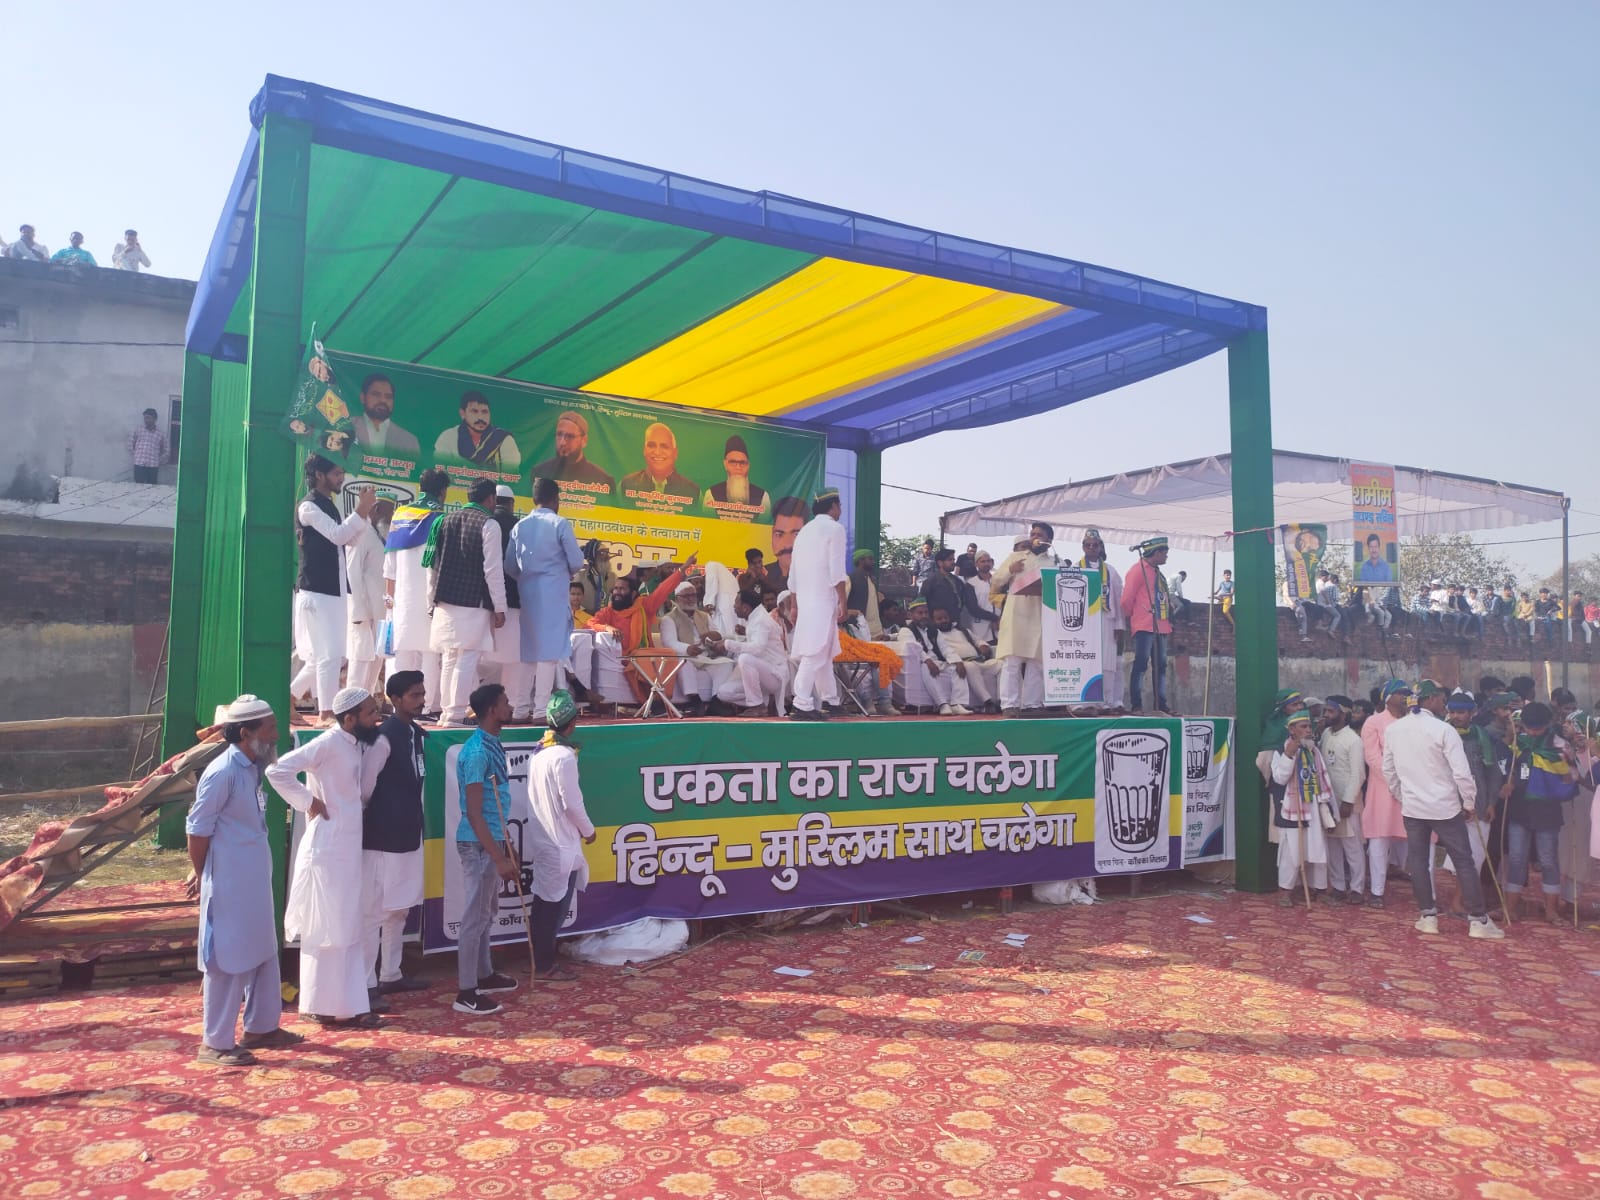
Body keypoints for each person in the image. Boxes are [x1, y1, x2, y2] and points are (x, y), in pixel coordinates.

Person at [186, 696, 305, 1066]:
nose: (276, 735)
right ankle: (216, 1043)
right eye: (270, 728)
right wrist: (204, 873)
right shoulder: (222, 772)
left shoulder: (253, 767)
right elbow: (197, 829)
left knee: (264, 951)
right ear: (245, 733)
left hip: (254, 880)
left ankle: (261, 1028)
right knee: (228, 957)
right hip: (229, 883)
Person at [266, 687, 386, 1025]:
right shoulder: (328, 743)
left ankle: (345, 1006)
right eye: (369, 713)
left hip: (346, 847)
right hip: (329, 848)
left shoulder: (353, 743)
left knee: (346, 926)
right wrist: (308, 801)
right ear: (349, 719)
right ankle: (327, 1007)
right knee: (328, 927)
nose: (376, 718)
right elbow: (277, 771)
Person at [1382, 680, 1505, 939]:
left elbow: (1389, 772)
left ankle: (1428, 917)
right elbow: (1462, 773)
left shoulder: (1394, 730)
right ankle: (1478, 920)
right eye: (1440, 697)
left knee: (1418, 861)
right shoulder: (1443, 730)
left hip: (1414, 807)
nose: (1444, 702)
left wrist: (1403, 797)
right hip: (1445, 806)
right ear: (1430, 700)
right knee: (1464, 860)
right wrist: (1469, 802)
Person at [452, 684, 522, 1014]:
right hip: (478, 844)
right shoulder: (478, 753)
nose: (510, 706)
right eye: (505, 702)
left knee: (486, 913)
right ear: (493, 710)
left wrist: (506, 847)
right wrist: (497, 855)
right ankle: (466, 992)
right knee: (474, 916)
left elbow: (496, 806)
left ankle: (484, 973)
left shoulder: (492, 744)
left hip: (491, 840)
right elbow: (475, 812)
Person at [359, 671, 429, 1002]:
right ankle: (365, 983)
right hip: (382, 836)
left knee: (399, 909)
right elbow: (365, 788)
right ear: (395, 699)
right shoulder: (383, 737)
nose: (421, 701)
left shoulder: (414, 733)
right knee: (374, 911)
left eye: (423, 694)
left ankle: (391, 974)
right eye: (415, 695)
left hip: (408, 833)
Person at [291, 455, 377, 723]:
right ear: (319, 475)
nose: (341, 478)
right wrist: (359, 511)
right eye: (337, 473)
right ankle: (326, 712)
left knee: (324, 656)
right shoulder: (308, 507)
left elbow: (348, 540)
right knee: (329, 654)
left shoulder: (329, 505)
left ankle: (290, 697)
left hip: (333, 591)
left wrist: (364, 515)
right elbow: (338, 535)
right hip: (317, 591)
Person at [523, 690, 597, 980]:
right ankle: (544, 965)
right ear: (573, 722)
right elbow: (572, 803)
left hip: (545, 838)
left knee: (544, 902)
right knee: (552, 906)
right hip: (559, 841)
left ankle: (538, 959)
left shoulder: (540, 752)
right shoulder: (563, 757)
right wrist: (589, 831)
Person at [428, 478, 509, 726]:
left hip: (445, 599)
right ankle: (455, 714)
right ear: (491, 499)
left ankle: (446, 713)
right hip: (474, 601)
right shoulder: (489, 524)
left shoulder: (444, 520)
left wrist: (430, 600)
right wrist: (500, 607)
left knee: (450, 657)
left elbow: (432, 565)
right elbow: (493, 570)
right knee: (466, 658)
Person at [504, 476, 585, 720]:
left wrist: (528, 577)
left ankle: (520, 710)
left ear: (534, 499)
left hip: (528, 593)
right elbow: (576, 561)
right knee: (549, 655)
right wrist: (559, 572)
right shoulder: (559, 523)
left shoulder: (520, 526)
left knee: (528, 655)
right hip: (553, 593)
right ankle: (540, 710)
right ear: (556, 499)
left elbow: (510, 565)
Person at [1502, 700, 1576, 924]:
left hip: (1547, 809)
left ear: (1549, 723)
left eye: (1539, 728)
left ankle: (1551, 911)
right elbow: (1509, 768)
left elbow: (1571, 777)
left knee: (1548, 860)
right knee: (1516, 858)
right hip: (1520, 808)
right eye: (1529, 728)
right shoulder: (1519, 743)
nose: (1533, 732)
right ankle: (1511, 907)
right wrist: (1509, 783)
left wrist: (1555, 781)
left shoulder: (1560, 746)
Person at [583, 556, 694, 705]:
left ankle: (658, 698)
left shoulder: (644, 607)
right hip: (624, 657)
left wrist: (683, 568)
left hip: (642, 654)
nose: (617, 592)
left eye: (622, 589)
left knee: (669, 654)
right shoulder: (608, 612)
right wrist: (606, 627)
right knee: (644, 658)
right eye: (615, 588)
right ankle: (655, 701)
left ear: (633, 593)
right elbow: (589, 624)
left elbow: (663, 590)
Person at [384, 468, 449, 717]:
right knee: (431, 654)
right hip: (430, 597)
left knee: (403, 654)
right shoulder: (440, 518)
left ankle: (398, 706)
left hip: (401, 598)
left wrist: (389, 599)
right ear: (442, 491)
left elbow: (389, 566)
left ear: (420, 488)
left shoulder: (400, 515)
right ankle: (428, 706)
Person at [787, 488, 848, 720]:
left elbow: (793, 574)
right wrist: (843, 602)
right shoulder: (835, 529)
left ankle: (830, 700)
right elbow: (837, 571)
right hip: (822, 600)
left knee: (825, 653)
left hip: (806, 601)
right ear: (833, 506)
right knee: (814, 653)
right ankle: (801, 703)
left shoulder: (804, 531)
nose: (840, 510)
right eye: (839, 505)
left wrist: (794, 606)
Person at [1443, 690, 1504, 917]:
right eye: (1452, 712)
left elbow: (1493, 774)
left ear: (1472, 713)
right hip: (1449, 805)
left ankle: (1460, 902)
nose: (1456, 716)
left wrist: (1491, 803)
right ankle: (1458, 902)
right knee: (1460, 856)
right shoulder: (1442, 734)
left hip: (1478, 806)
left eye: (1461, 712)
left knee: (1474, 857)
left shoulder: (1482, 737)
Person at [1268, 711, 1335, 906]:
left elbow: (1323, 779)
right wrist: (1289, 755)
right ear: (1292, 729)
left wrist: (1327, 808)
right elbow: (1280, 778)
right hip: (1292, 808)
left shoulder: (1313, 751)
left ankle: (1319, 890)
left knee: (1317, 849)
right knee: (1291, 852)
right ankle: (1286, 892)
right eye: (1303, 727)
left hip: (1313, 808)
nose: (1308, 730)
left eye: (1309, 726)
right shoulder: (1280, 751)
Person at [993, 523, 1057, 716]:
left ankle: (1031, 704)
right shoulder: (1016, 557)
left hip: (1040, 615)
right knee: (1012, 661)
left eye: (1039, 535)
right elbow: (996, 581)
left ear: (1049, 540)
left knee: (1036, 662)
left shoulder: (1054, 562)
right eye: (1032, 534)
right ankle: (1009, 705)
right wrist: (1009, 570)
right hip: (1016, 614)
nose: (1034, 537)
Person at [483, 485, 534, 721]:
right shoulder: (519, 527)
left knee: (477, 658)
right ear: (511, 504)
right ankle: (510, 706)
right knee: (513, 660)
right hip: (513, 600)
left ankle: (480, 706)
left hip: (482, 603)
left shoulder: (484, 523)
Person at [1360, 680, 1412, 908]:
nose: (1405, 696)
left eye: (1407, 693)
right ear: (1388, 698)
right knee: (1379, 841)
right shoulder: (1373, 722)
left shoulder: (1414, 721)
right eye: (1400, 693)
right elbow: (1372, 758)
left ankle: (1425, 893)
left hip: (1412, 789)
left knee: (1417, 840)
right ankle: (1377, 892)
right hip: (1383, 790)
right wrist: (1396, 780)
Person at [1318, 696, 1367, 904]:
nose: (1326, 715)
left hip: (1348, 803)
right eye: (1325, 711)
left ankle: (1357, 889)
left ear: (1343, 713)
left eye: (1330, 711)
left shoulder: (1353, 740)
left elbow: (1358, 774)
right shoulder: (1326, 734)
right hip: (1329, 801)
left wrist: (1348, 802)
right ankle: (1338, 886)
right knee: (1333, 846)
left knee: (1352, 847)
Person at [660, 578, 734, 713]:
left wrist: (714, 636)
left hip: (705, 657)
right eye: (686, 596)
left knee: (726, 663)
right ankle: (695, 701)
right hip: (686, 656)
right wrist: (687, 648)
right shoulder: (669, 618)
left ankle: (716, 700)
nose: (690, 599)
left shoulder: (704, 616)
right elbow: (669, 642)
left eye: (693, 595)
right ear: (677, 599)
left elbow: (717, 634)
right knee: (683, 663)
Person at [1121, 536, 1174, 715]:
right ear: (1157, 553)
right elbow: (1126, 599)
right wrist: (1133, 617)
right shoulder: (1138, 570)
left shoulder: (1157, 572)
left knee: (1161, 667)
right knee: (1141, 665)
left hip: (1161, 625)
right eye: (1165, 552)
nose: (1166, 556)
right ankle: (1136, 705)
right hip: (1144, 625)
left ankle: (1161, 705)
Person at [717, 588, 790, 716]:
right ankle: (764, 703)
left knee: (745, 659)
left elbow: (757, 648)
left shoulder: (761, 620)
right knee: (723, 692)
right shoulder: (754, 617)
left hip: (775, 675)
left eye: (736, 603)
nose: (734, 606)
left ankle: (757, 706)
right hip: (762, 676)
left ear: (745, 608)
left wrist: (728, 644)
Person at [344, 490, 388, 696]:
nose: (392, 517)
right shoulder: (361, 534)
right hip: (363, 609)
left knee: (376, 658)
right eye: (390, 512)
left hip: (378, 610)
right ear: (376, 509)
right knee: (360, 658)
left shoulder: (377, 535)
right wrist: (358, 610)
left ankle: (367, 702)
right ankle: (351, 704)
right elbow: (352, 572)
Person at [1079, 529, 1126, 708]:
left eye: (1095, 545)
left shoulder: (1111, 571)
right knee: (1085, 661)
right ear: (1083, 547)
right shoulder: (1075, 568)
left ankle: (1107, 701)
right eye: (1088, 545)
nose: (1091, 548)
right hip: (1083, 622)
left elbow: (1118, 600)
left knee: (1107, 663)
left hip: (1107, 619)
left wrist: (1119, 625)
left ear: (1100, 547)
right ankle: (1086, 702)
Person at [902, 598, 973, 716]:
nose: (924, 616)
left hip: (938, 662)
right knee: (925, 667)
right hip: (922, 663)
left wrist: (957, 661)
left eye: (926, 613)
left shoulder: (934, 630)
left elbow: (945, 648)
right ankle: (943, 704)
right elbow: (915, 649)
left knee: (957, 668)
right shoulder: (906, 630)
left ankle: (957, 704)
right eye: (920, 613)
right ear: (911, 615)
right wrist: (928, 660)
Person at [529, 411, 615, 496]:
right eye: (559, 434)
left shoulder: (603, 481)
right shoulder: (539, 473)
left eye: (570, 436)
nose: (562, 442)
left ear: (584, 440)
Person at [433, 391, 521, 470]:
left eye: (484, 412)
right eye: (474, 411)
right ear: (462, 413)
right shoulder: (448, 437)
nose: (480, 417)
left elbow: (511, 473)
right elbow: (440, 469)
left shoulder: (502, 438)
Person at [935, 604, 998, 712]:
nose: (944, 620)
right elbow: (946, 652)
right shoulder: (936, 635)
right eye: (939, 619)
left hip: (980, 660)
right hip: (962, 663)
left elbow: (978, 640)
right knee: (970, 666)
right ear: (933, 621)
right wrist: (957, 661)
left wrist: (983, 646)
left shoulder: (962, 630)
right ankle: (987, 701)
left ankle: (1003, 702)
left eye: (945, 617)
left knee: (1002, 664)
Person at [618, 421, 696, 500]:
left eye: (664, 446)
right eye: (651, 446)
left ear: (675, 453)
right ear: (644, 450)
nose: (657, 452)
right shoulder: (626, 485)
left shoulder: (693, 492)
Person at [702, 434, 770, 521]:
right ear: (725, 464)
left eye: (742, 463)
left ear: (748, 466)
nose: (738, 467)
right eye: (733, 462)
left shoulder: (763, 497)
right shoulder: (711, 494)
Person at [350, 373, 420, 456]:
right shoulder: (346, 426)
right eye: (376, 394)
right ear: (362, 397)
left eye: (388, 396)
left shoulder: (409, 441)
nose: (383, 400)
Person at [920, 548, 969, 632]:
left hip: (956, 622)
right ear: (940, 563)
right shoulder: (931, 581)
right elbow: (922, 602)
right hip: (938, 625)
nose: (953, 562)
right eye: (950, 560)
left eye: (953, 559)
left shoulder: (957, 581)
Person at [846, 548, 886, 640]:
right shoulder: (851, 578)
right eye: (870, 559)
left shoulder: (871, 579)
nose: (873, 562)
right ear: (861, 561)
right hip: (858, 628)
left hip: (875, 630)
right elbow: (841, 603)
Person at [768, 496, 806, 590]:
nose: (787, 544)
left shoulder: (813, 575)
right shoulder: (763, 574)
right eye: (779, 534)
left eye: (796, 534)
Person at [128, 407, 169, 484]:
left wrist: (158, 460)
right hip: (139, 464)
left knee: (151, 487)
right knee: (138, 486)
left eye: (149, 418)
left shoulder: (161, 434)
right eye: (145, 418)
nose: (146, 420)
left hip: (153, 466)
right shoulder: (138, 430)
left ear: (155, 419)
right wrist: (136, 455)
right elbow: (130, 443)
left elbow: (166, 450)